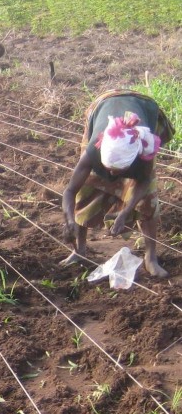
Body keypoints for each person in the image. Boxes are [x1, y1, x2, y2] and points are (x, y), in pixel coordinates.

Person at [61, 89, 174, 277]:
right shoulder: (93, 152)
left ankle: (150, 258)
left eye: (118, 171)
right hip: (104, 104)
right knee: (86, 188)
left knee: (148, 200)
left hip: (141, 106)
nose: (112, 174)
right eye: (108, 168)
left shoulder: (143, 152)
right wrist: (69, 219)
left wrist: (125, 212)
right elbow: (71, 190)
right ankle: (80, 250)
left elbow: (144, 182)